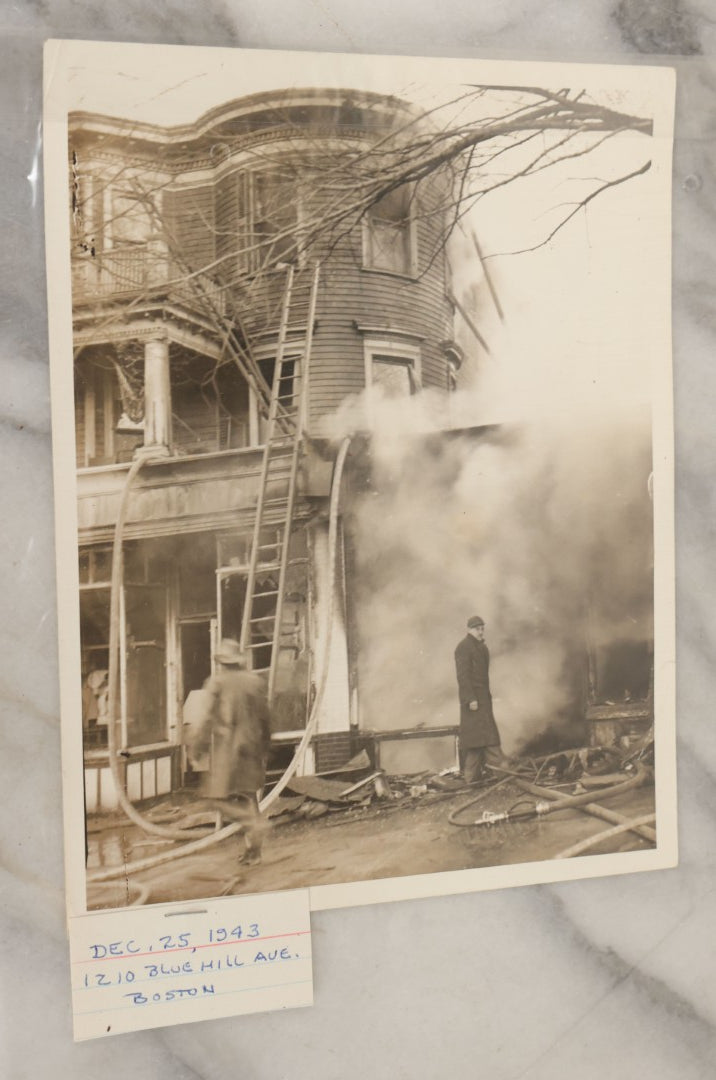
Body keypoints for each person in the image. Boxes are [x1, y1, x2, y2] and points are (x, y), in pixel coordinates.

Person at [191, 638, 271, 866]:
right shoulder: (256, 682)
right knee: (249, 797)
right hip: (252, 747)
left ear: (222, 662)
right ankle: (254, 852)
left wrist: (197, 746)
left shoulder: (216, 683)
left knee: (215, 799)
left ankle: (252, 824)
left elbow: (205, 718)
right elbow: (266, 719)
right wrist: (266, 746)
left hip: (230, 749)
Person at [454, 615, 503, 784]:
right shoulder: (463, 648)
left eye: (482, 628)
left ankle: (476, 779)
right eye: (477, 629)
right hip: (473, 702)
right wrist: (470, 699)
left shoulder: (482, 648)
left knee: (485, 738)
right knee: (477, 741)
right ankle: (498, 776)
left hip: (483, 700)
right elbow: (463, 677)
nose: (481, 632)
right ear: (469, 629)